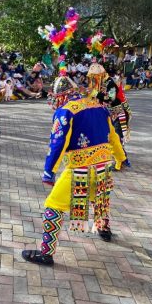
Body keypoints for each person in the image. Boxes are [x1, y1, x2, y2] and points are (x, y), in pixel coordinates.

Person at [22, 75, 126, 266]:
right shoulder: (99, 106)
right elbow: (113, 137)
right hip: (104, 166)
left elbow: (57, 143)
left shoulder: (66, 111)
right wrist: (121, 158)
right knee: (99, 198)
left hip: (81, 168)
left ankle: (46, 253)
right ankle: (104, 229)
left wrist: (48, 172)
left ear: (60, 96)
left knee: (53, 205)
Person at [97, 67, 132, 167]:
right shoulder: (103, 83)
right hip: (111, 114)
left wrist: (96, 94)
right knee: (112, 137)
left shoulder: (111, 83)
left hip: (119, 113)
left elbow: (110, 99)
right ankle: (123, 158)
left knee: (117, 137)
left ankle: (119, 162)